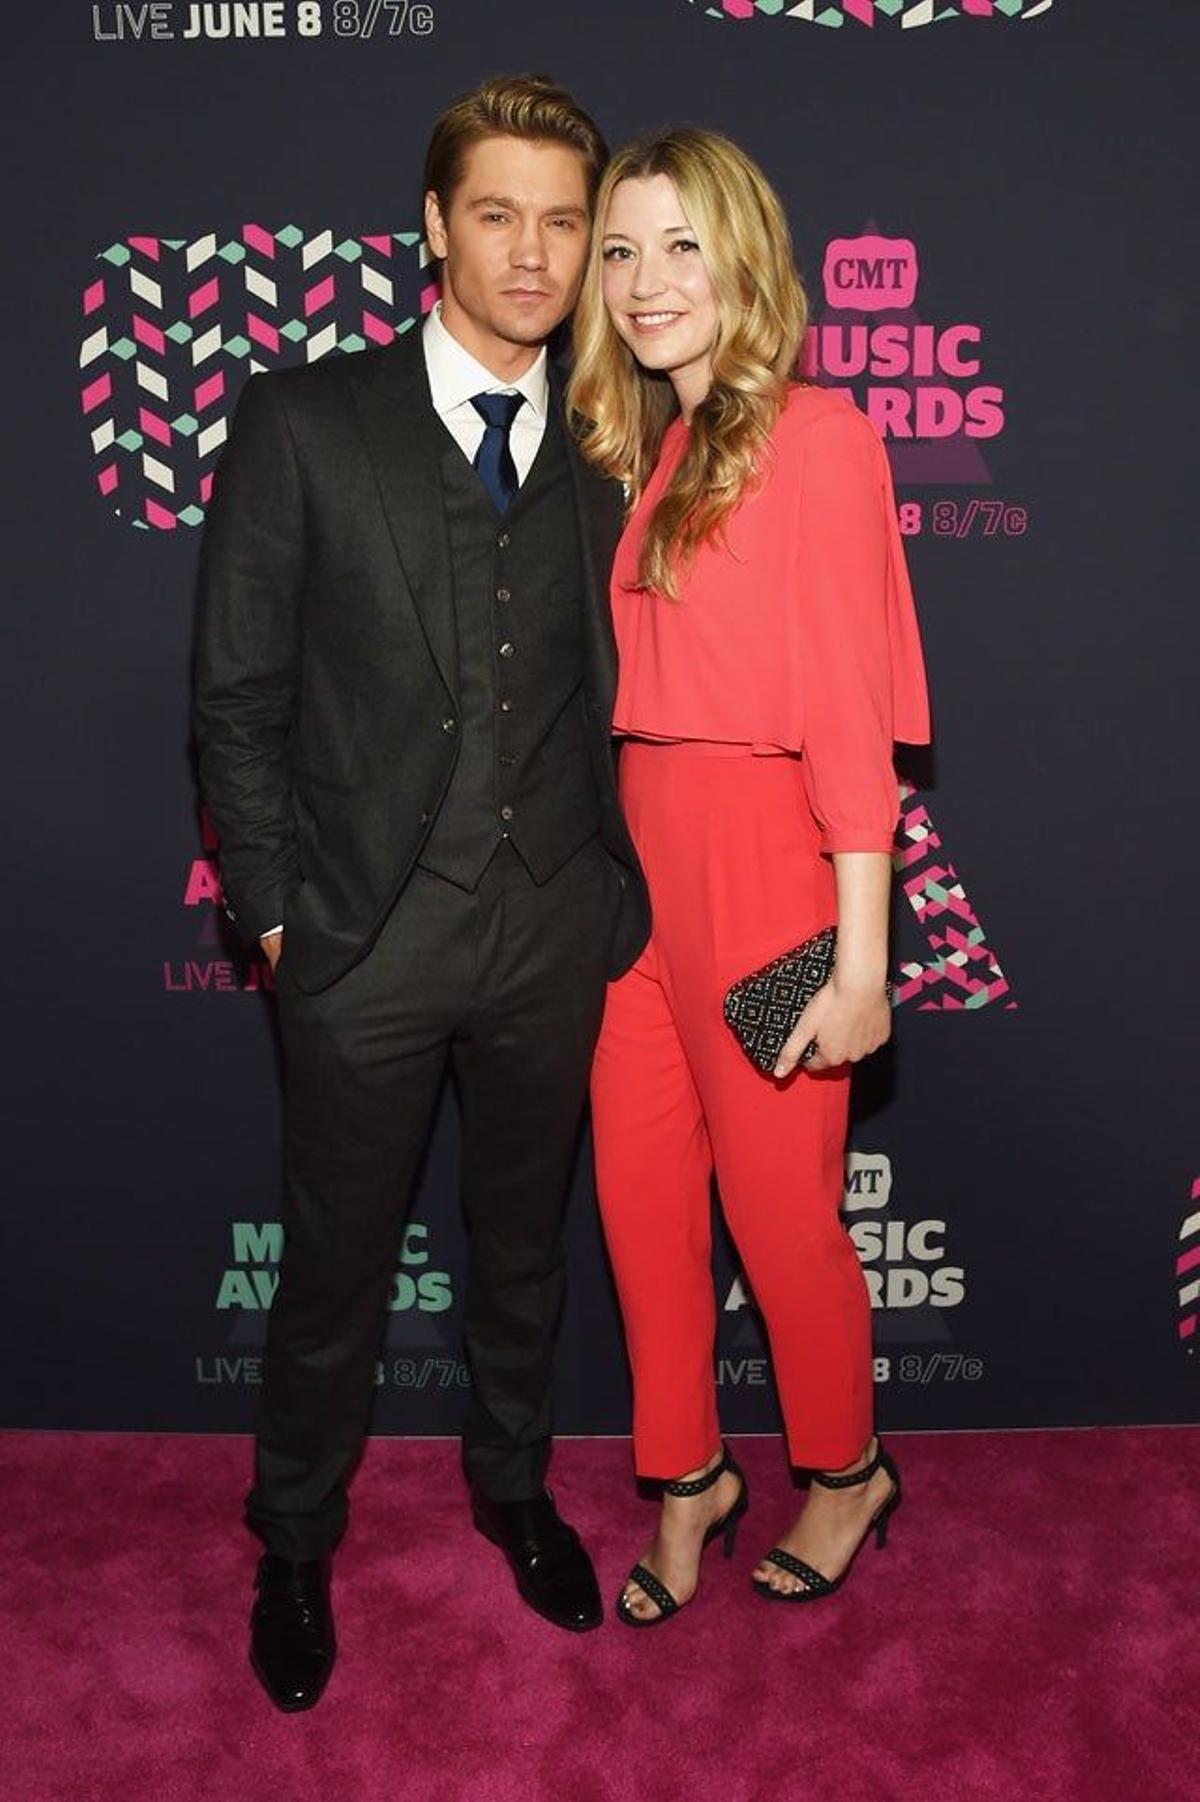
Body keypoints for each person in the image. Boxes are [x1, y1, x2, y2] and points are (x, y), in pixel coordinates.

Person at [193, 74, 649, 1709]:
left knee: (520, 1244)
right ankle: (296, 1534)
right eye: (498, 214)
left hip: (552, 931)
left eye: (562, 221)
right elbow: (236, 701)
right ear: (434, 231)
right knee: (333, 1261)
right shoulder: (309, 423)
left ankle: (511, 1486)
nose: (533, 252)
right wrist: (270, 915)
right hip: (360, 943)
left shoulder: (620, 435)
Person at [568, 128, 930, 1624]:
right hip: (633, 865)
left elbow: (849, 707)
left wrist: (861, 959)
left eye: (681, 247)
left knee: (783, 1221)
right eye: (621, 251)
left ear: (743, 258)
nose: (648, 283)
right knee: (644, 1206)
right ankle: (687, 1478)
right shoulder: (655, 442)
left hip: (770, 865)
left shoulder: (820, 433)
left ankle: (845, 1471)